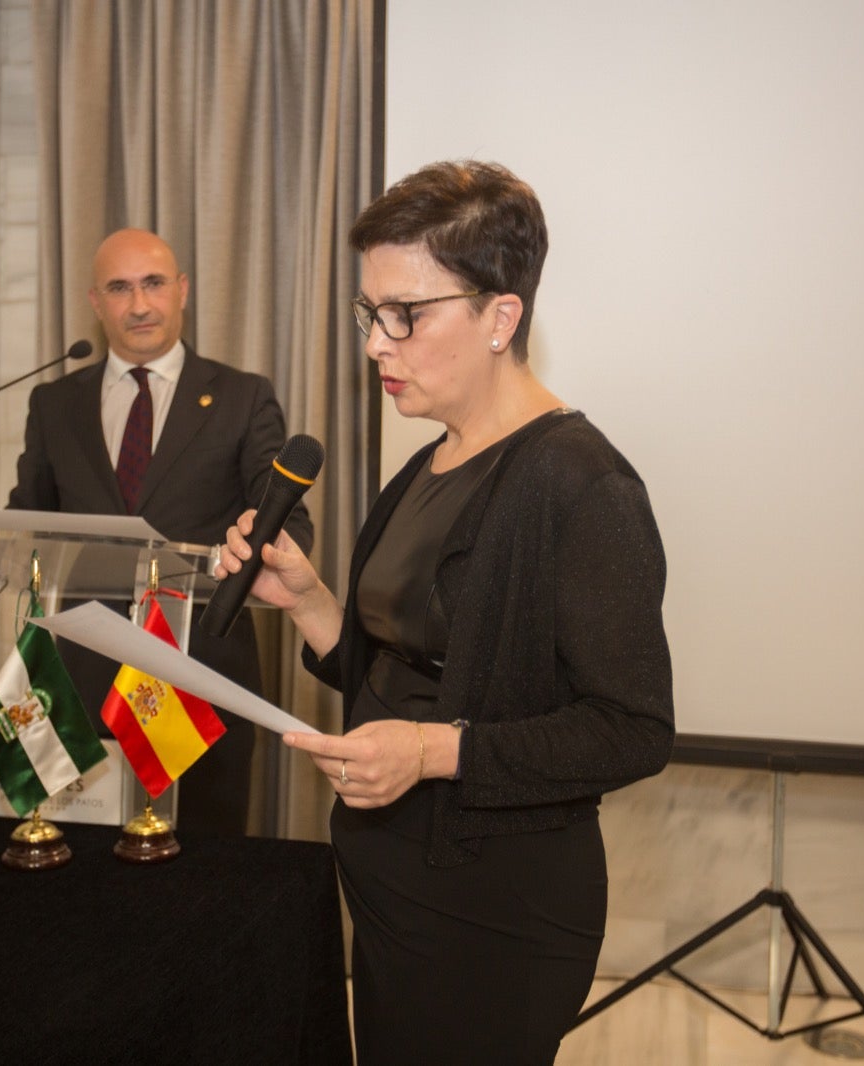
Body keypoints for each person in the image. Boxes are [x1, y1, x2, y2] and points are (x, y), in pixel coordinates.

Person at [215, 162, 675, 1064]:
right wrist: (309, 602)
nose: (377, 344)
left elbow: (632, 730)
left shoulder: (583, 484)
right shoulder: (427, 463)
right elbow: (398, 672)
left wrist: (429, 753)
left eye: (405, 315)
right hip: (396, 880)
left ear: (500, 317)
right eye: (368, 315)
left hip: (497, 906)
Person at [8, 228, 313, 837]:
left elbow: (288, 520)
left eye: (153, 284)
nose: (139, 304)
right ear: (96, 302)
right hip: (80, 683)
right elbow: (28, 527)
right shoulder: (54, 402)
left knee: (203, 869)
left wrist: (265, 540)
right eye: (120, 288)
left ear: (182, 291)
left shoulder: (242, 397)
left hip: (202, 675)